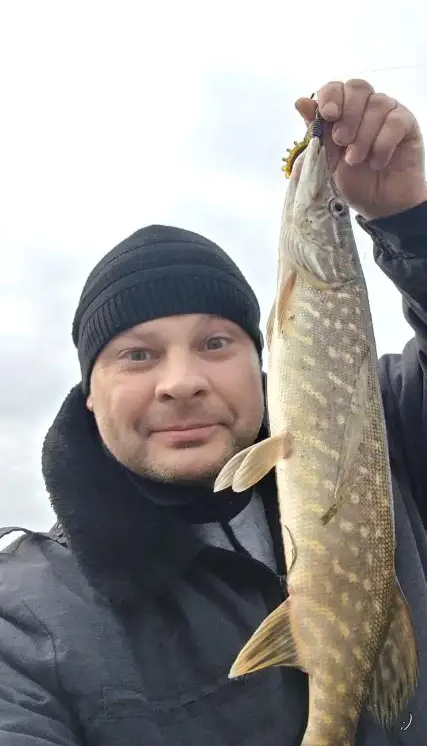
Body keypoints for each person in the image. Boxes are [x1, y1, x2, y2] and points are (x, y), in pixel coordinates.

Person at [0, 78, 426, 746]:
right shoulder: (24, 620)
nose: (181, 383)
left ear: (267, 358)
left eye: (216, 343)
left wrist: (410, 224)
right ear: (88, 394)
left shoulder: (387, 426)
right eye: (137, 355)